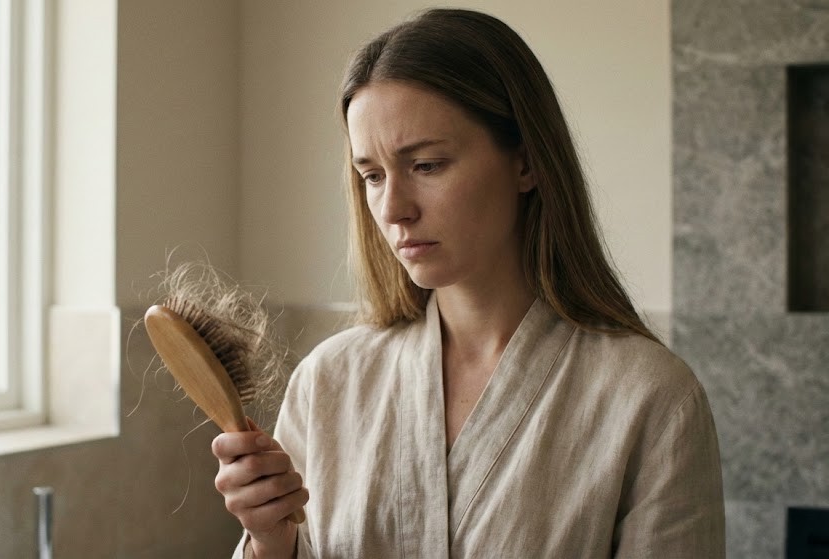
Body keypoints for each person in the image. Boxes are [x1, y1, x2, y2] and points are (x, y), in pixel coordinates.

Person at [212, 8, 725, 558]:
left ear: (526, 163)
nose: (394, 208)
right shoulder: (328, 382)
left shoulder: (649, 399)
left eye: (428, 165)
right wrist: (270, 540)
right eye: (372, 175)